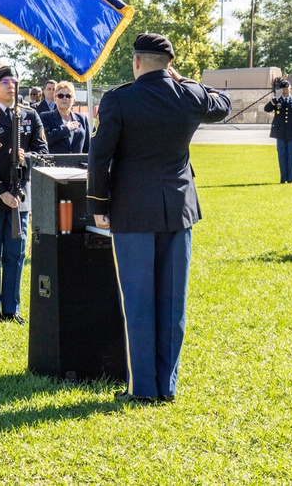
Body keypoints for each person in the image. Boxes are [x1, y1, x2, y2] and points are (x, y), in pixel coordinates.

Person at [87, 33, 231, 404]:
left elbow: (99, 157)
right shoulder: (190, 95)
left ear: (136, 62)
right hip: (179, 210)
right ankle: (167, 386)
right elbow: (224, 104)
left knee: (138, 300)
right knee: (172, 301)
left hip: (132, 210)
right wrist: (185, 81)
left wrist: (98, 205)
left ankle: (143, 388)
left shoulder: (119, 99)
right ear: (170, 64)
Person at [0, 68, 48, 324]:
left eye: (14, 81)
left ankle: (11, 307)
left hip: (20, 196)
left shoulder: (30, 115)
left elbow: (43, 152)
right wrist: (0, 192)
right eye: (5, 82)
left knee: (16, 253)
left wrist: (28, 158)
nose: (11, 85)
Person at [264, 79, 292, 183]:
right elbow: (267, 108)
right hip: (280, 132)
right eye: (283, 88)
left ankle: (290, 179)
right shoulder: (277, 101)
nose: (285, 90)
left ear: (290, 88)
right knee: (282, 156)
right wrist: (275, 98)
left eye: (287, 88)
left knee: (291, 156)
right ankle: (283, 179)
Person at [39, 81, 90, 154]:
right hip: (55, 163)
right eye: (60, 96)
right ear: (55, 99)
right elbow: (46, 140)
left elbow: (87, 147)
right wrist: (65, 129)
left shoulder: (82, 118)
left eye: (68, 96)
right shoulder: (45, 117)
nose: (64, 98)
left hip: (78, 164)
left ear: (74, 100)